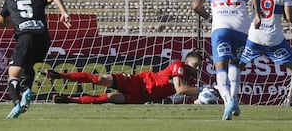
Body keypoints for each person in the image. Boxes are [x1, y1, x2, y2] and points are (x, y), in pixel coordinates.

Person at [192, 0, 262, 120]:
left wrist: (209, 18)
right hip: (241, 28)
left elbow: (196, 6)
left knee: (220, 66)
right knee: (235, 64)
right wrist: (258, 13)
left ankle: (228, 101)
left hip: (221, 28)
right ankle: (234, 100)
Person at [0, 0, 72, 118]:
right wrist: (64, 12)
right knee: (28, 66)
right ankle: (27, 90)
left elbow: (1, 22)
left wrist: (15, 21)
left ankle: (16, 105)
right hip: (43, 38)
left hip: (25, 37)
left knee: (13, 74)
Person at [45, 51, 208, 104]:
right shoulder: (179, 66)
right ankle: (59, 75)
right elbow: (181, 89)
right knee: (100, 79)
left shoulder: (190, 81)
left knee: (107, 98)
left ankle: (68, 100)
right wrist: (204, 89)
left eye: (199, 66)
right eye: (195, 65)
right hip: (138, 81)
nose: (198, 69)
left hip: (140, 97)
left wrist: (202, 100)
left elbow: (193, 96)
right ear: (187, 62)